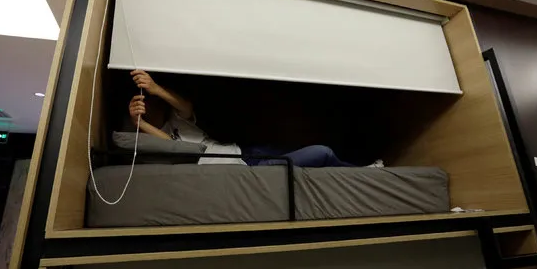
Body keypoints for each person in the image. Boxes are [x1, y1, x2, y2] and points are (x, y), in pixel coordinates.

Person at [128, 70, 383, 168]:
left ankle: (356, 168)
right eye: (145, 103)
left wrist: (155, 87)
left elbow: (186, 107)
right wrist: (142, 125)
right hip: (246, 168)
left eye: (149, 101)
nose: (149, 104)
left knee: (309, 144)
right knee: (321, 154)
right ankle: (367, 174)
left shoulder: (176, 117)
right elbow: (180, 149)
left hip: (247, 150)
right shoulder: (160, 139)